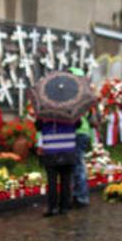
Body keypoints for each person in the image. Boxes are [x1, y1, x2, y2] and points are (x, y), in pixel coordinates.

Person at [35, 117, 79, 217]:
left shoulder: (46, 113)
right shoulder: (70, 112)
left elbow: (38, 126)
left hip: (51, 151)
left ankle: (52, 208)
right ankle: (64, 207)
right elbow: (78, 125)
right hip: (68, 150)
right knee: (65, 181)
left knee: (52, 182)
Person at [68, 67, 92, 208]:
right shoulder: (84, 95)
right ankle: (77, 194)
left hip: (79, 133)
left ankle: (81, 197)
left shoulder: (78, 96)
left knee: (77, 165)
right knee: (74, 165)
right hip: (78, 133)